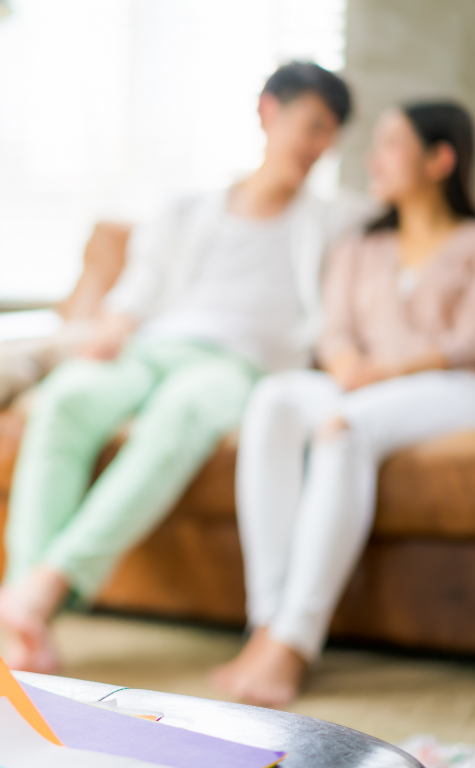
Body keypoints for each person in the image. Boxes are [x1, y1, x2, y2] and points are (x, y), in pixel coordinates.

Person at [0, 62, 374, 673]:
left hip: (235, 367)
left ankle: (50, 582)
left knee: (181, 417)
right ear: (268, 112)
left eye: (331, 134)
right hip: (152, 349)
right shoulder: (189, 210)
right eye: (311, 125)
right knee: (66, 399)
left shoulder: (337, 220)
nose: (319, 146)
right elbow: (138, 292)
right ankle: (27, 612)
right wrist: (111, 328)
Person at [211, 101, 475, 706]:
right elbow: (334, 329)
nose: (371, 158)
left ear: (440, 159)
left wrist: (390, 368)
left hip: (454, 386)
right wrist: (347, 362)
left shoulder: (469, 242)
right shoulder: (362, 244)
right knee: (275, 397)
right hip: (366, 380)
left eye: (390, 144)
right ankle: (267, 620)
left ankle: (296, 643)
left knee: (343, 426)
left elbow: (467, 340)